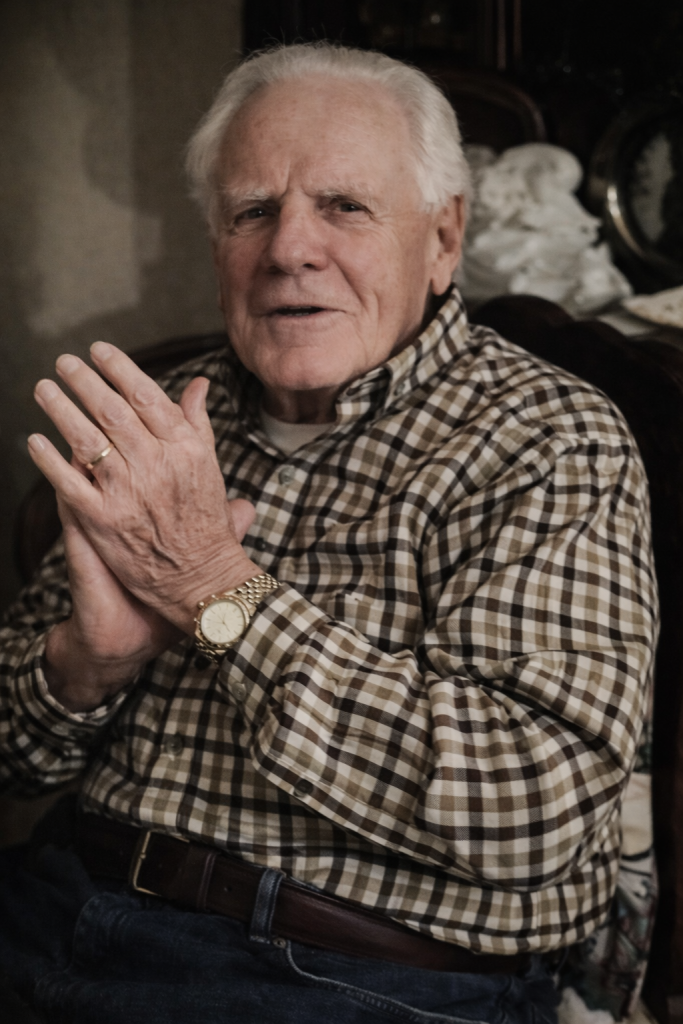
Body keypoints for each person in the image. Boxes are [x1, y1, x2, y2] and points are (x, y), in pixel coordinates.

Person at [0, 42, 657, 1024]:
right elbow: (15, 757)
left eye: (345, 206)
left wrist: (215, 590)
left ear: (443, 238)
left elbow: (528, 814)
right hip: (55, 898)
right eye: (251, 211)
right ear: (216, 242)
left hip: (346, 973)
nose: (288, 250)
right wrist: (84, 664)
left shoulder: (547, 437)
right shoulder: (166, 421)